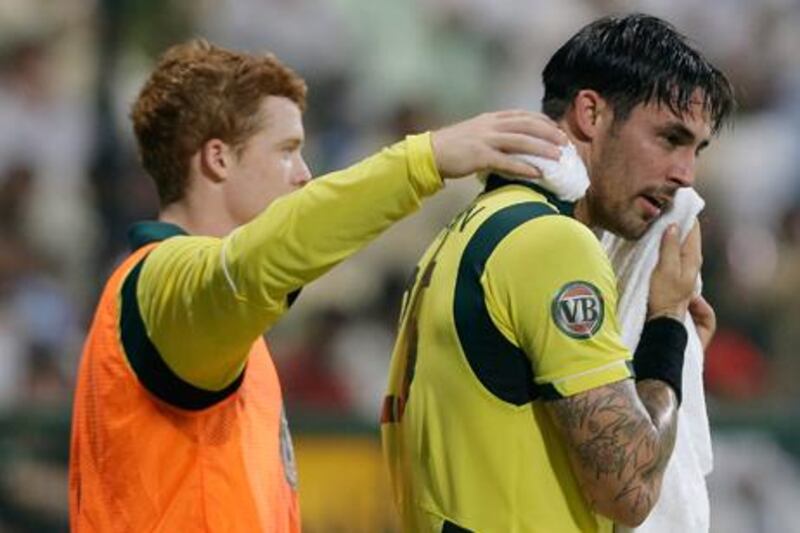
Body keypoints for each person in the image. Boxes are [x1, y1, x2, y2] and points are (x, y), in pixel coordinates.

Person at [67, 39, 568, 532]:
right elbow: (261, 260)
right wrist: (424, 160)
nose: (304, 175)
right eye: (287, 150)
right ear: (217, 159)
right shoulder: (158, 283)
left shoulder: (219, 320)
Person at [381, 14, 735, 532]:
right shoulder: (553, 245)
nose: (686, 175)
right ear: (591, 113)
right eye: (669, 139)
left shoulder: (476, 227)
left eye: (695, 150)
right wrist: (665, 327)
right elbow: (629, 488)